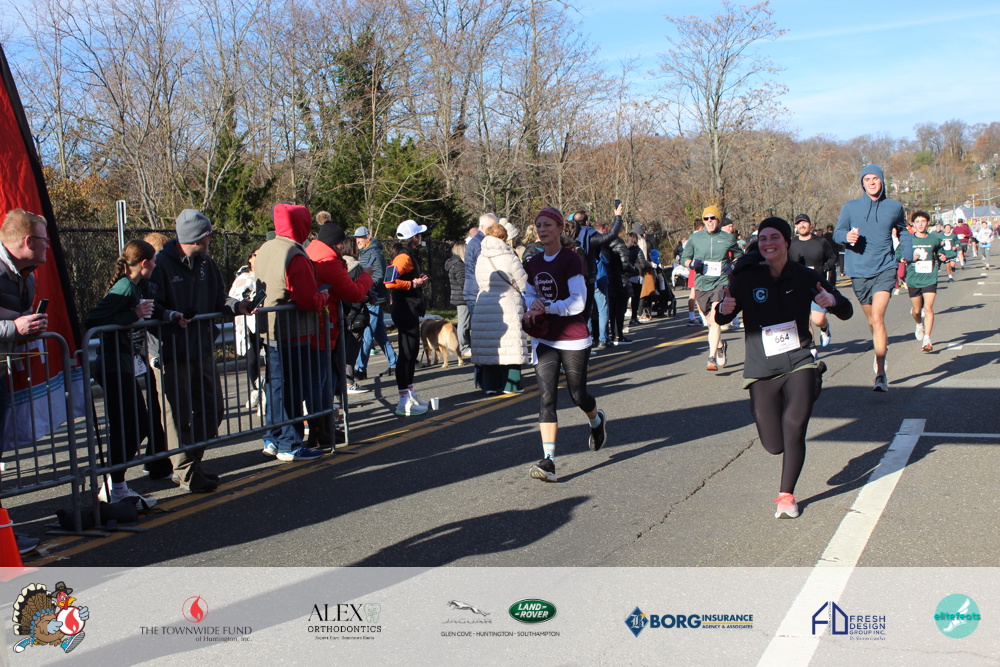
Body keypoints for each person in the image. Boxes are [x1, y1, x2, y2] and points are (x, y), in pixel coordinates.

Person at [717, 217, 853, 519]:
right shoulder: (747, 278)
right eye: (763, 238)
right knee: (774, 445)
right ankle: (810, 381)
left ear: (787, 242)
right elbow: (723, 316)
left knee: (794, 426)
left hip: (799, 361)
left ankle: (786, 495)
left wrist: (831, 301)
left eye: (775, 237)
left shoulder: (805, 276)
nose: (768, 243)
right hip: (761, 369)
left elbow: (846, 310)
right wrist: (722, 310)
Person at [148, 209, 253, 491]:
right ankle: (185, 471)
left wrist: (238, 306)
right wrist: (170, 315)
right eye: (208, 235)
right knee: (176, 415)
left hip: (201, 348)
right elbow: (149, 306)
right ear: (196, 238)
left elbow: (219, 298)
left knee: (213, 409)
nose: (211, 239)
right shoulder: (161, 265)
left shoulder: (207, 263)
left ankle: (192, 462)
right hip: (171, 351)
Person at [522, 207, 607, 482]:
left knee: (577, 395)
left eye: (547, 224)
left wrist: (547, 306)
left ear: (560, 228)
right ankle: (549, 461)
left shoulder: (571, 259)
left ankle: (596, 421)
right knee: (546, 398)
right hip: (545, 338)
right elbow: (528, 295)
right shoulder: (533, 262)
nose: (542, 230)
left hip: (573, 337)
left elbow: (578, 303)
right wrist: (533, 303)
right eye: (538, 225)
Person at [85, 240, 161, 509]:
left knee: (137, 425)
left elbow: (152, 308)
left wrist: (172, 315)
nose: (156, 265)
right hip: (112, 365)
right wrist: (132, 314)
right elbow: (92, 320)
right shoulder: (124, 287)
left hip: (125, 364)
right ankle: (114, 486)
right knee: (128, 427)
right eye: (154, 261)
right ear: (144, 263)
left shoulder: (138, 286)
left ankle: (115, 484)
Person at [254, 203, 327, 462]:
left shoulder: (266, 248)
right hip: (293, 330)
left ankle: (272, 438)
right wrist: (323, 297)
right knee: (293, 388)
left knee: (276, 386)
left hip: (269, 328)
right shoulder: (294, 255)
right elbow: (306, 299)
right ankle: (290, 443)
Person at [832, 164, 911, 392]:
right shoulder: (851, 207)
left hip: (885, 267)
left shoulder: (894, 207)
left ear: (882, 180)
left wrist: (906, 252)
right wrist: (847, 236)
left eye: (875, 178)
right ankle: (880, 346)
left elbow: (903, 231)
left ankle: (881, 373)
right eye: (867, 179)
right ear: (862, 183)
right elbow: (837, 233)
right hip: (859, 270)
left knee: (877, 317)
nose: (871, 182)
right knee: (871, 321)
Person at [1, 209, 52, 553]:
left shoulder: (27, 276)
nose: (49, 247)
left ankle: (4, 536)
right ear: (27, 241)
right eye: (44, 241)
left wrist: (29, 327)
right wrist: (13, 328)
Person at [306, 223, 373, 432]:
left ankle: (320, 427)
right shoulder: (330, 262)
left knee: (318, 379)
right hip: (325, 326)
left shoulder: (310, 253)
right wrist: (366, 276)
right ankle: (323, 429)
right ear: (338, 244)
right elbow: (353, 293)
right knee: (323, 380)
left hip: (314, 325)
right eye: (343, 243)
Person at [681, 206, 743, 371]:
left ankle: (711, 358)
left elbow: (740, 256)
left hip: (721, 282)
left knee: (715, 319)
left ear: (718, 220)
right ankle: (720, 345)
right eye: (706, 218)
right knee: (709, 321)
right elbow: (684, 258)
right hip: (702, 283)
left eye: (712, 218)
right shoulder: (695, 238)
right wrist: (692, 264)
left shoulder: (727, 238)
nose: (709, 221)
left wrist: (733, 266)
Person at [471, 224, 529, 394]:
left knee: (490, 345)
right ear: (504, 238)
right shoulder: (510, 257)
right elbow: (523, 283)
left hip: (485, 303)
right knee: (511, 346)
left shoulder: (481, 257)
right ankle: (512, 385)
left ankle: (489, 385)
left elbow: (479, 281)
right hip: (508, 303)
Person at [385, 219, 431, 416]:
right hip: (404, 308)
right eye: (419, 234)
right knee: (406, 354)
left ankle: (409, 394)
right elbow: (389, 281)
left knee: (411, 353)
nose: (421, 237)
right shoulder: (404, 257)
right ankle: (403, 400)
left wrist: (416, 281)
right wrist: (412, 284)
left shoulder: (409, 254)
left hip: (408, 307)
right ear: (414, 238)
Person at [354, 226, 398, 380]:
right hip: (369, 297)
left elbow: (379, 275)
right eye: (356, 238)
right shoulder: (364, 252)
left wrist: (365, 287)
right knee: (379, 333)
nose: (357, 241)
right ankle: (395, 362)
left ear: (368, 237)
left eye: (360, 238)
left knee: (367, 333)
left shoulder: (374, 252)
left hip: (375, 299)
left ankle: (360, 368)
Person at [789, 213, 837, 351]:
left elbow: (832, 258)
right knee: (804, 319)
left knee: (817, 319)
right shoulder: (791, 244)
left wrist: (825, 267)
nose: (802, 225)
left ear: (810, 225)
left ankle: (824, 327)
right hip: (798, 286)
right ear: (796, 226)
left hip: (817, 285)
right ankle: (811, 347)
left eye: (804, 222)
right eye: (799, 223)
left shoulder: (821, 242)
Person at [899, 211, 945, 352]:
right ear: (913, 224)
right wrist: (905, 257)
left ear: (928, 223)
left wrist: (943, 255)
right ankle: (919, 324)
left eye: (923, 221)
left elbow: (941, 250)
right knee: (917, 310)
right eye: (917, 221)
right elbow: (897, 254)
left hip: (930, 277)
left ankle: (927, 339)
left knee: (928, 308)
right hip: (913, 278)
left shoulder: (934, 239)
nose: (920, 224)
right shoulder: (908, 240)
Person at [228, 247, 263, 411]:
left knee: (269, 360)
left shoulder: (265, 275)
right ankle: (256, 389)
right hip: (247, 325)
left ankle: (266, 393)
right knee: (252, 359)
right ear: (250, 258)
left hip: (263, 323)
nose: (259, 258)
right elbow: (233, 297)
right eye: (256, 255)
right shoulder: (242, 278)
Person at [445, 242, 471, 357]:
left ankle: (466, 345)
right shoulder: (459, 265)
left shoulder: (453, 263)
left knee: (464, 323)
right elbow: (463, 282)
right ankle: (464, 347)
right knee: (464, 323)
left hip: (459, 296)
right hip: (462, 297)